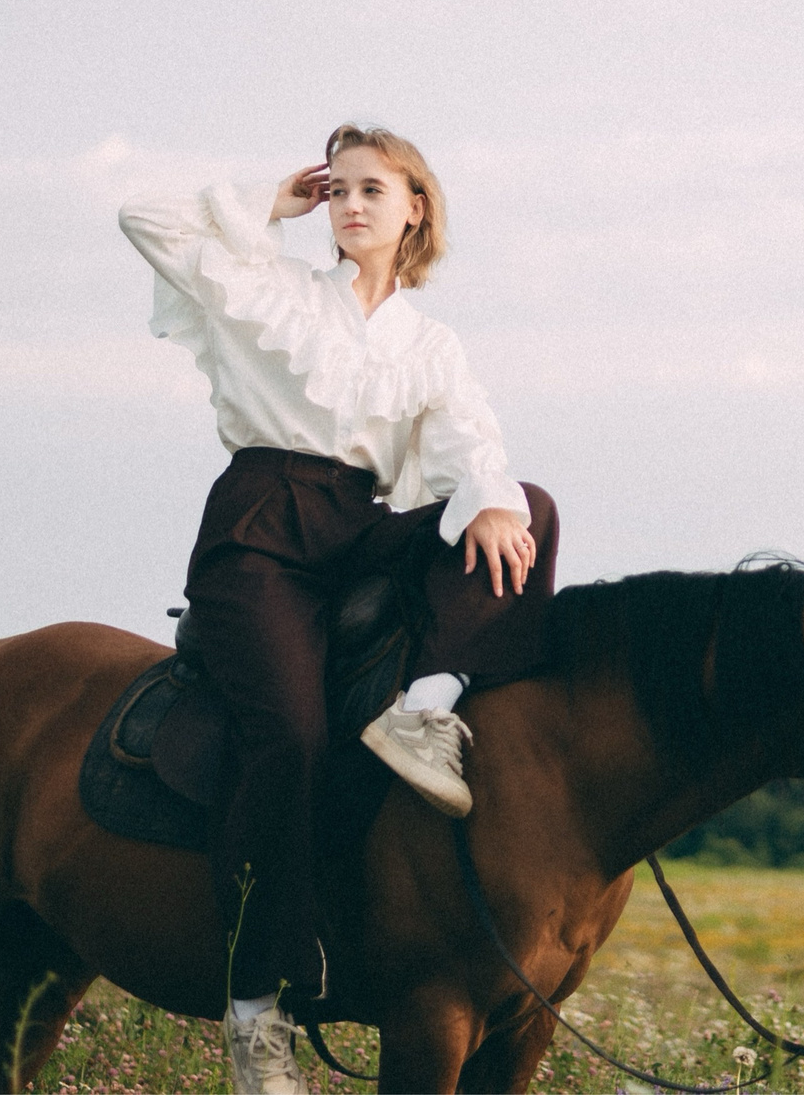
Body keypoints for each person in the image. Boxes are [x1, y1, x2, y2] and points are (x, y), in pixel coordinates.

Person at [119, 123, 557, 1095]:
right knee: (290, 737)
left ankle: (426, 706)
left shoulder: (430, 343)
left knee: (527, 501)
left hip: (365, 523)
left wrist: (490, 496)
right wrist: (265, 205)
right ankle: (255, 1012)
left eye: (372, 189)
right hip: (262, 529)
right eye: (339, 188)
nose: (351, 204)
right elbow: (143, 218)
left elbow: (470, 441)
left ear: (416, 209)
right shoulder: (271, 289)